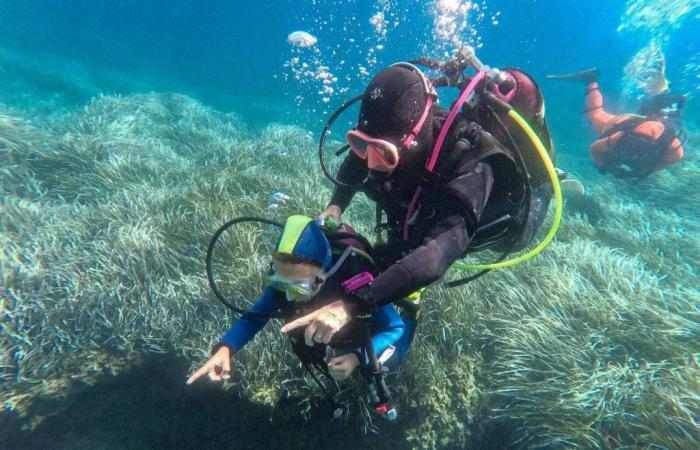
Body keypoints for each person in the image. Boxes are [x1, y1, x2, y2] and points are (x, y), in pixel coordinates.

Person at [281, 58, 555, 345]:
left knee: (520, 221)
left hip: (504, 220)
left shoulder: (473, 164)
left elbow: (437, 254)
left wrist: (349, 306)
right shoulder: (396, 136)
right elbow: (360, 155)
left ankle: (548, 181)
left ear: (413, 139)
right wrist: (336, 204)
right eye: (361, 144)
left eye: (384, 154)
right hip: (424, 200)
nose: (371, 163)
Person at [187, 215, 413, 418]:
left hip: (364, 328)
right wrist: (225, 349)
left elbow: (394, 327)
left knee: (388, 363)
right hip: (332, 335)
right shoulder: (286, 279)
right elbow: (254, 317)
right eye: (280, 282)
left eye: (300, 287)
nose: (288, 295)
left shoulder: (354, 280)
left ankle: (413, 307)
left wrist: (356, 358)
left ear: (326, 273)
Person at [548, 68, 685, 179]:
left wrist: (641, 172)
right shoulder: (622, 136)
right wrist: (606, 168)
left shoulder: (674, 149)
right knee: (595, 113)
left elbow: (668, 160)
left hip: (642, 119)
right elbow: (595, 149)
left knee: (656, 106)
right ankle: (590, 79)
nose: (640, 141)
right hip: (619, 123)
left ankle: (660, 89)